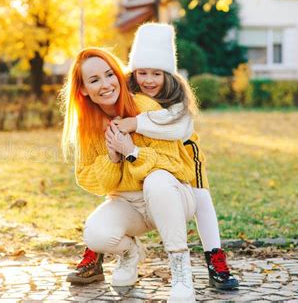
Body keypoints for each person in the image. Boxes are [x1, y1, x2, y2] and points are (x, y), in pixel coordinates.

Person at [67, 23, 239, 290]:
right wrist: (113, 156)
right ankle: (102, 248)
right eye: (142, 73)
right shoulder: (112, 98)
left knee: (199, 195)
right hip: (131, 194)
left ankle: (211, 258)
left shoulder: (166, 101)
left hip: (182, 157)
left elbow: (179, 130)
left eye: (156, 73)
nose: (149, 80)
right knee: (107, 210)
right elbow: (97, 179)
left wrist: (133, 138)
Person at [61, 46, 199, 301]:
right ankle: (129, 254)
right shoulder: (87, 127)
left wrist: (132, 151)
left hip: (173, 196)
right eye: (94, 80)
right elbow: (87, 179)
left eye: (109, 74)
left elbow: (177, 165)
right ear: (83, 89)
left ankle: (181, 271)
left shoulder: (145, 106)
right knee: (95, 234)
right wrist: (112, 158)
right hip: (129, 205)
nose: (105, 84)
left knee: (156, 180)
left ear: (118, 75)